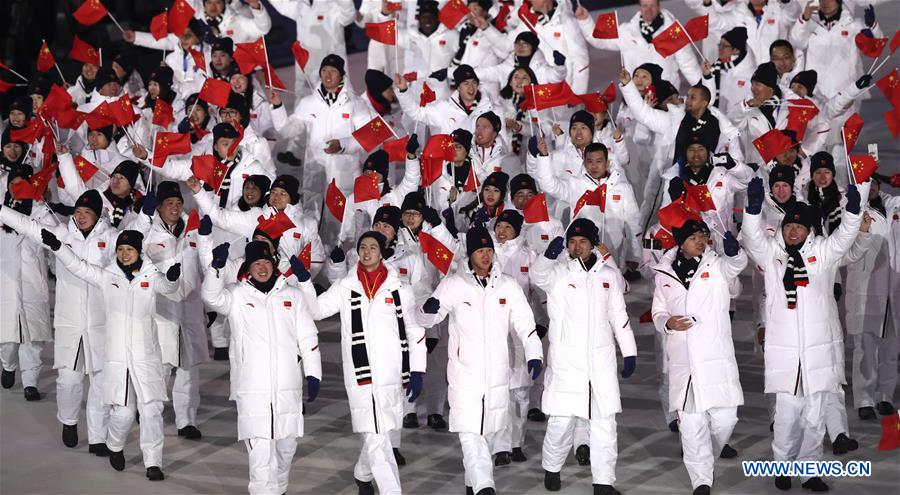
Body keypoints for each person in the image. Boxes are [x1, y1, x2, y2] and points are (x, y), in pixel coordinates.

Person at [741, 176, 865, 492]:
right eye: (789, 226)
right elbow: (752, 239)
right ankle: (782, 466)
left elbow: (844, 238)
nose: (793, 231)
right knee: (786, 417)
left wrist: (853, 212)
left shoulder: (822, 252)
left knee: (815, 417)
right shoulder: (772, 254)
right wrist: (752, 211)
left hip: (818, 352)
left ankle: (809, 471)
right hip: (785, 354)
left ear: (810, 230)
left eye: (799, 226)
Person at [40, 229, 180, 481]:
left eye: (130, 249)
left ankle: (153, 463)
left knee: (151, 411)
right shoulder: (107, 276)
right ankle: (115, 444)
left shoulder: (151, 276)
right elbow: (79, 266)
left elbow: (167, 287)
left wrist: (172, 277)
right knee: (123, 414)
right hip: (117, 359)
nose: (125, 254)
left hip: (146, 357)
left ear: (139, 252)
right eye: (121, 250)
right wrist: (58, 248)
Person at [419, 227, 543, 495]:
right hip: (464, 375)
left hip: (496, 376)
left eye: (489, 250)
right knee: (470, 435)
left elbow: (525, 324)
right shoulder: (454, 285)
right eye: (480, 251)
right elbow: (429, 319)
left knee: (485, 437)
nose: (486, 256)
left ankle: (472, 486)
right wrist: (427, 311)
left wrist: (534, 353)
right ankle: (485, 487)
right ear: (470, 254)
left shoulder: (508, 286)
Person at [310, 231, 426, 495]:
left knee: (381, 432)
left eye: (373, 247)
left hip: (391, 373)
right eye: (363, 246)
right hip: (359, 374)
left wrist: (417, 369)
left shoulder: (400, 289)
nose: (367, 251)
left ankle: (362, 473)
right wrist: (307, 281)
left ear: (382, 252)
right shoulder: (345, 286)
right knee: (375, 437)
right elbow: (316, 310)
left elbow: (414, 331)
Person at [202, 240, 321, 495]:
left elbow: (308, 337)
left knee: (286, 449)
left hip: (287, 386)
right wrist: (216, 269)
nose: (262, 268)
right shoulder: (236, 295)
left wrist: (313, 373)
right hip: (251, 389)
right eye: (256, 263)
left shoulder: (292, 295)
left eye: (266, 262)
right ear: (248, 267)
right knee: (260, 455)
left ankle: (279, 490)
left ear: (274, 264)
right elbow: (211, 297)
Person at [0, 189, 116, 453]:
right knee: (69, 380)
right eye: (78, 211)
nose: (82, 216)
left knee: (100, 382)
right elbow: (27, 226)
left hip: (101, 322)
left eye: (88, 212)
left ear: (98, 215)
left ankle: (98, 438)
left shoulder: (111, 239)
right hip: (69, 322)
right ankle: (69, 421)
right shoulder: (62, 235)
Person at [532, 219, 636, 495]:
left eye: (583, 242)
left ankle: (604, 482)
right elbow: (538, 277)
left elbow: (619, 317)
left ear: (593, 245)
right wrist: (547, 257)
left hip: (601, 363)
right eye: (572, 242)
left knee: (605, 424)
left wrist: (629, 351)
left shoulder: (608, 276)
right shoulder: (559, 273)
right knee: (561, 423)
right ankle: (552, 467)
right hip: (567, 362)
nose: (577, 247)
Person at [651, 220, 747, 495]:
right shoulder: (664, 273)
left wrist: (735, 254)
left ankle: (706, 458)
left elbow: (736, 272)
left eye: (703, 236)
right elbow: (658, 311)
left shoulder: (716, 265)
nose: (700, 241)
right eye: (693, 237)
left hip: (715, 356)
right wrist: (667, 322)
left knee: (726, 420)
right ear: (681, 242)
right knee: (691, 427)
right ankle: (701, 481)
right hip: (684, 361)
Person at [133, 182, 208, 440]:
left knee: (189, 369)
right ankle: (148, 410)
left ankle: (186, 420)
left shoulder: (194, 231)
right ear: (159, 207)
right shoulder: (148, 232)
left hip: (190, 310)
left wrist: (209, 308)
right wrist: (143, 217)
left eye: (178, 203)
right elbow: (129, 251)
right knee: (160, 366)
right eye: (169, 203)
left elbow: (204, 268)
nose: (174, 207)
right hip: (161, 311)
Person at [846, 178, 899, 420]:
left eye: (874, 182)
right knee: (865, 348)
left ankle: (885, 396)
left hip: (895, 290)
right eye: (867, 183)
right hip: (866, 288)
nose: (872, 187)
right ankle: (864, 399)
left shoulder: (895, 205)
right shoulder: (853, 210)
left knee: (891, 348)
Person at [0, 165, 52, 402]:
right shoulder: (2, 210)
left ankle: (30, 382)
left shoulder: (41, 212)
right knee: (8, 336)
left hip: (33, 281)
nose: (17, 187)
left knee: (34, 336)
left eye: (23, 183)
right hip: (6, 280)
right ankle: (8, 365)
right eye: (13, 182)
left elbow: (55, 242)